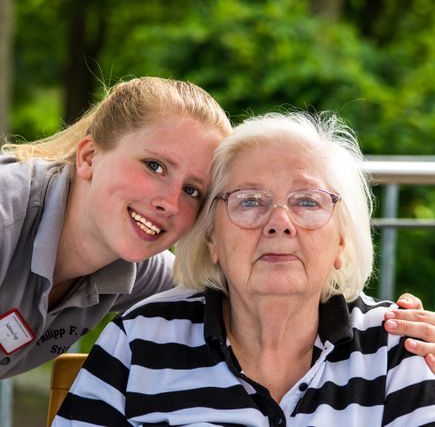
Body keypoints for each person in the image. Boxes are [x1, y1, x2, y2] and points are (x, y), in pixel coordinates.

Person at [53, 111, 435, 426]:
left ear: (342, 240)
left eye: (308, 201)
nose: (280, 223)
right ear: (212, 238)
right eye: (250, 201)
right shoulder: (139, 341)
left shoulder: (396, 348)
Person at [0, 76, 232, 378]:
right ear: (89, 157)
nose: (170, 203)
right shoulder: (6, 214)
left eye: (192, 190)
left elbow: (235, 295)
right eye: (155, 166)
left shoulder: (136, 268)